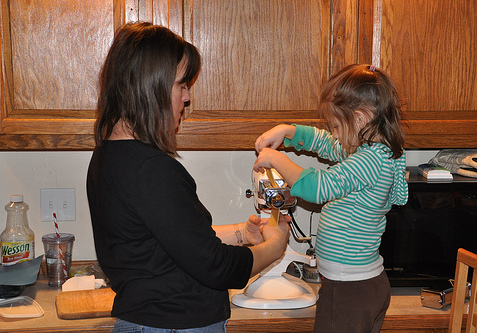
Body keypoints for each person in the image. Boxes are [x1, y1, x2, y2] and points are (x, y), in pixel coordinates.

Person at [86, 22, 290, 333]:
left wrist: (241, 233)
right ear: (150, 86)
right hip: (172, 326)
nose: (187, 97)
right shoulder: (150, 169)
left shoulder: (110, 155)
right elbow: (216, 267)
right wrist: (274, 247)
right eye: (181, 85)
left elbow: (170, 241)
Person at [253, 64, 409, 332]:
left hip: (350, 290)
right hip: (360, 286)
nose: (334, 133)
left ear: (360, 119)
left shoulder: (369, 160)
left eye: (337, 125)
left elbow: (319, 187)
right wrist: (288, 131)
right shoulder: (372, 152)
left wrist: (278, 159)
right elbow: (325, 142)